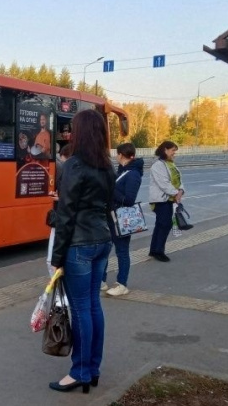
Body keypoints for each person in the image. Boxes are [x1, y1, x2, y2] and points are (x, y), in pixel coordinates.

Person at [49, 109, 115, 394]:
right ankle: (93, 368)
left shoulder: (75, 165)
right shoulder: (107, 165)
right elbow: (110, 203)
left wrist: (55, 259)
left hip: (79, 245)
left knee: (80, 310)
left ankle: (80, 372)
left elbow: (66, 215)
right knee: (93, 306)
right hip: (102, 239)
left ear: (79, 133)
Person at [103, 143, 144, 296]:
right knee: (106, 248)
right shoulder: (123, 170)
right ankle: (102, 280)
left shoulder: (132, 174)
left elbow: (129, 200)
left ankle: (122, 284)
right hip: (112, 216)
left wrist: (111, 191)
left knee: (122, 251)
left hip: (122, 218)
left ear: (120, 154)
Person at [147, 140, 184, 262]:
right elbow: (163, 183)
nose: (174, 153)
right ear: (165, 150)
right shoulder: (158, 165)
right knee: (165, 225)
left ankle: (154, 250)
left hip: (169, 199)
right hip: (161, 200)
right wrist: (176, 193)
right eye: (173, 150)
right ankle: (159, 251)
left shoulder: (170, 164)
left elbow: (179, 179)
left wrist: (181, 190)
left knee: (160, 225)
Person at [46, 142, 74, 275]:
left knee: (52, 261)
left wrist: (60, 198)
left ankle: (59, 294)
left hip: (64, 220)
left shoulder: (68, 170)